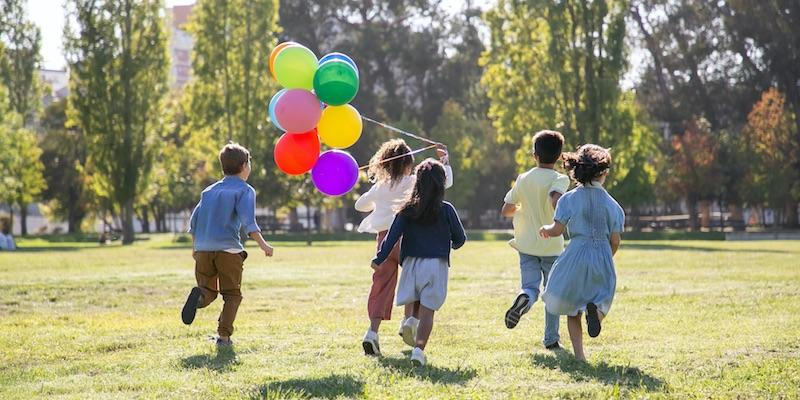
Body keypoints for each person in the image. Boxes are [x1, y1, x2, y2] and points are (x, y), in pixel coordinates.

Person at [355, 139, 452, 356]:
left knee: (381, 286)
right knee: (416, 282)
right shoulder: (413, 182)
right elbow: (444, 182)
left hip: (383, 242)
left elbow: (359, 205)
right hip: (408, 239)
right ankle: (409, 321)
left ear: (385, 164)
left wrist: (378, 198)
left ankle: (372, 332)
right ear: (408, 163)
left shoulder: (380, 187)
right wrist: (445, 161)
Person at [372, 159, 466, 366]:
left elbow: (391, 237)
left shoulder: (406, 210)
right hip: (436, 265)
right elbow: (460, 238)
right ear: (441, 184)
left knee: (414, 299)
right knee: (428, 311)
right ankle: (418, 350)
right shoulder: (447, 209)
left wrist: (379, 258)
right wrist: (449, 244)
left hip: (411, 264)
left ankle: (409, 321)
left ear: (417, 182)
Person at [181, 143, 274, 346]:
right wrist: (264, 245)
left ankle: (199, 297)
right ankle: (223, 337)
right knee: (232, 294)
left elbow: (194, 223)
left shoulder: (209, 191)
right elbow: (249, 222)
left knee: (209, 291)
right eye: (249, 162)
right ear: (243, 166)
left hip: (203, 249)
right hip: (228, 250)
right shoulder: (245, 190)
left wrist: (195, 249)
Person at [539, 144, 625, 361]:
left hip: (575, 255)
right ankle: (595, 314)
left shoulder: (568, 199)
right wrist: (606, 256)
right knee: (602, 298)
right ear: (603, 173)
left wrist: (546, 230)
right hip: (602, 255)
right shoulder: (613, 206)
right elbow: (615, 240)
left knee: (572, 308)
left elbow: (557, 230)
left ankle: (580, 357)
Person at [500, 130, 570, 350]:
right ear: (559, 156)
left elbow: (506, 210)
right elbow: (555, 199)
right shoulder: (560, 178)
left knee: (530, 287)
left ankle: (524, 298)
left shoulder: (524, 178)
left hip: (526, 244)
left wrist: (523, 209)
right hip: (551, 244)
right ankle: (551, 339)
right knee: (552, 294)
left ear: (534, 155)